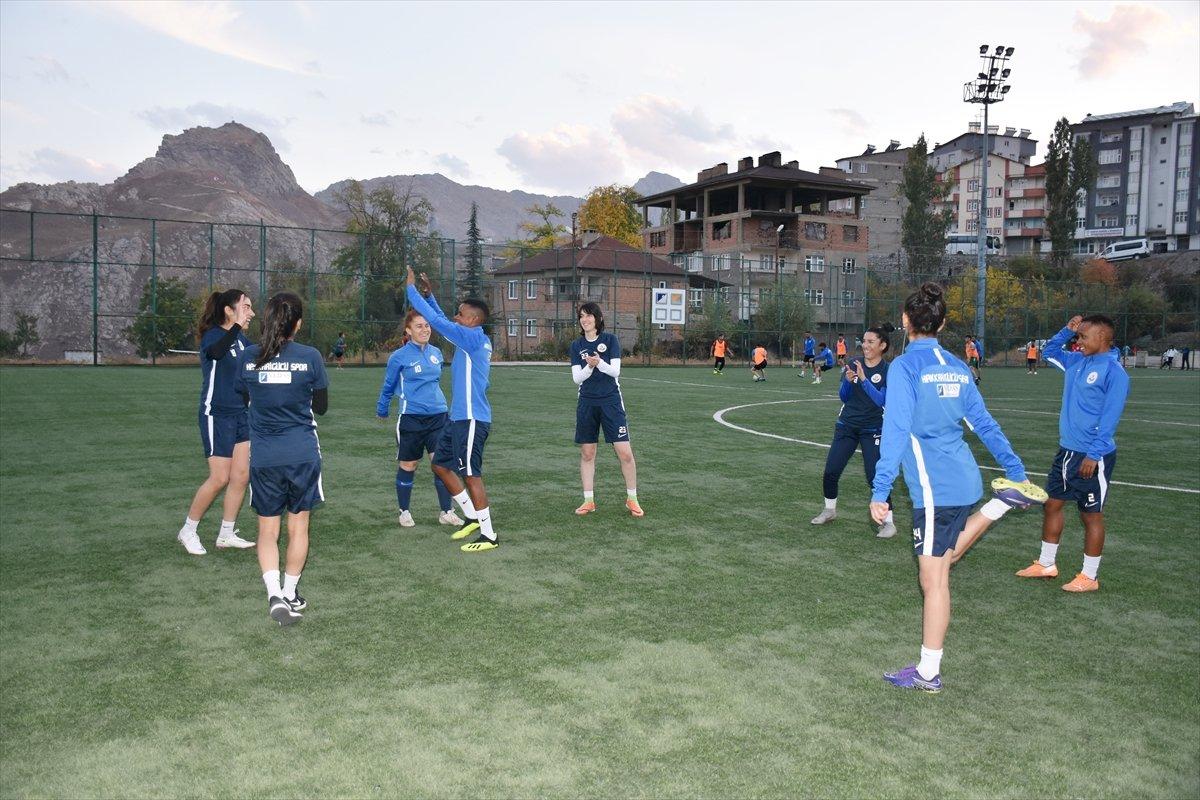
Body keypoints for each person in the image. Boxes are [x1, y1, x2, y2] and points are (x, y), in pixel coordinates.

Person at [869, 283, 1046, 693]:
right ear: (943, 323)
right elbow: (984, 424)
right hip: (962, 479)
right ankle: (999, 504)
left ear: (904, 321)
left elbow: (894, 430)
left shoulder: (905, 368)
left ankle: (929, 674)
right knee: (942, 565)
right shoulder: (956, 365)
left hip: (934, 488)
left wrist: (880, 491)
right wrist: (1015, 469)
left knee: (934, 582)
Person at [1016, 314, 1129, 592]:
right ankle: (1046, 564)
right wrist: (1067, 330)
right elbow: (1050, 352)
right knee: (1052, 504)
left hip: (1093, 456)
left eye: (1083, 336)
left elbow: (1110, 417)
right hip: (1066, 452)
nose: (1079, 342)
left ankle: (1089, 577)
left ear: (1102, 337)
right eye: (1077, 337)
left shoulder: (1114, 372)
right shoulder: (1077, 362)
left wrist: (1094, 454)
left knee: (1090, 514)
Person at [235, 292, 329, 626]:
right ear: (298, 323)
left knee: (267, 530)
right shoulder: (311, 357)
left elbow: (244, 395)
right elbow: (321, 406)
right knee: (299, 526)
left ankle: (275, 594)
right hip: (302, 454)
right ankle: (290, 592)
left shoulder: (247, 358)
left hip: (265, 458)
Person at [404, 269, 499, 553]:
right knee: (440, 465)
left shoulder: (471, 338)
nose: (455, 317)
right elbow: (443, 320)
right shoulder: (471, 336)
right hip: (457, 418)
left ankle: (489, 535)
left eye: (460, 314)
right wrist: (429, 295)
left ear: (472, 320)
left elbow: (436, 322)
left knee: (471, 474)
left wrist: (410, 290)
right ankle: (470, 515)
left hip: (471, 419)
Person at [177, 289, 258, 555]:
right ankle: (188, 530)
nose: (251, 313)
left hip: (241, 415)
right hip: (216, 413)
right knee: (220, 477)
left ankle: (226, 533)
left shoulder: (243, 342)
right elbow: (216, 352)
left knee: (241, 475)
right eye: (246, 307)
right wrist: (235, 327)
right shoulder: (214, 336)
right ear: (228, 310)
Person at [376, 310, 463, 529]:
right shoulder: (399, 357)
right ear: (408, 330)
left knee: (441, 465)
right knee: (409, 464)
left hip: (439, 416)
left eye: (427, 325)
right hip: (411, 418)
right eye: (419, 326)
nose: (424, 329)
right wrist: (382, 408)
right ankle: (404, 512)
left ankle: (446, 511)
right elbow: (388, 385)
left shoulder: (436, 353)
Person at [811, 326, 896, 538]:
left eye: (870, 342)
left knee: (874, 476)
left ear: (882, 345)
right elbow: (844, 397)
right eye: (864, 341)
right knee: (831, 471)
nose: (865, 346)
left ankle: (888, 522)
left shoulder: (888, 370)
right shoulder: (852, 363)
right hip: (847, 425)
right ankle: (829, 510)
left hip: (873, 429)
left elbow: (881, 401)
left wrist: (864, 380)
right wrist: (849, 382)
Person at [571, 302, 644, 518]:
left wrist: (599, 363)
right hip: (587, 402)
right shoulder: (576, 345)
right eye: (582, 316)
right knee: (587, 453)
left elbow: (615, 371)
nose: (585, 320)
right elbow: (577, 378)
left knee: (624, 453)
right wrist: (589, 366)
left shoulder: (610, 340)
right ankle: (588, 500)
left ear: (598, 319)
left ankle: (632, 499)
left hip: (611, 402)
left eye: (589, 316)